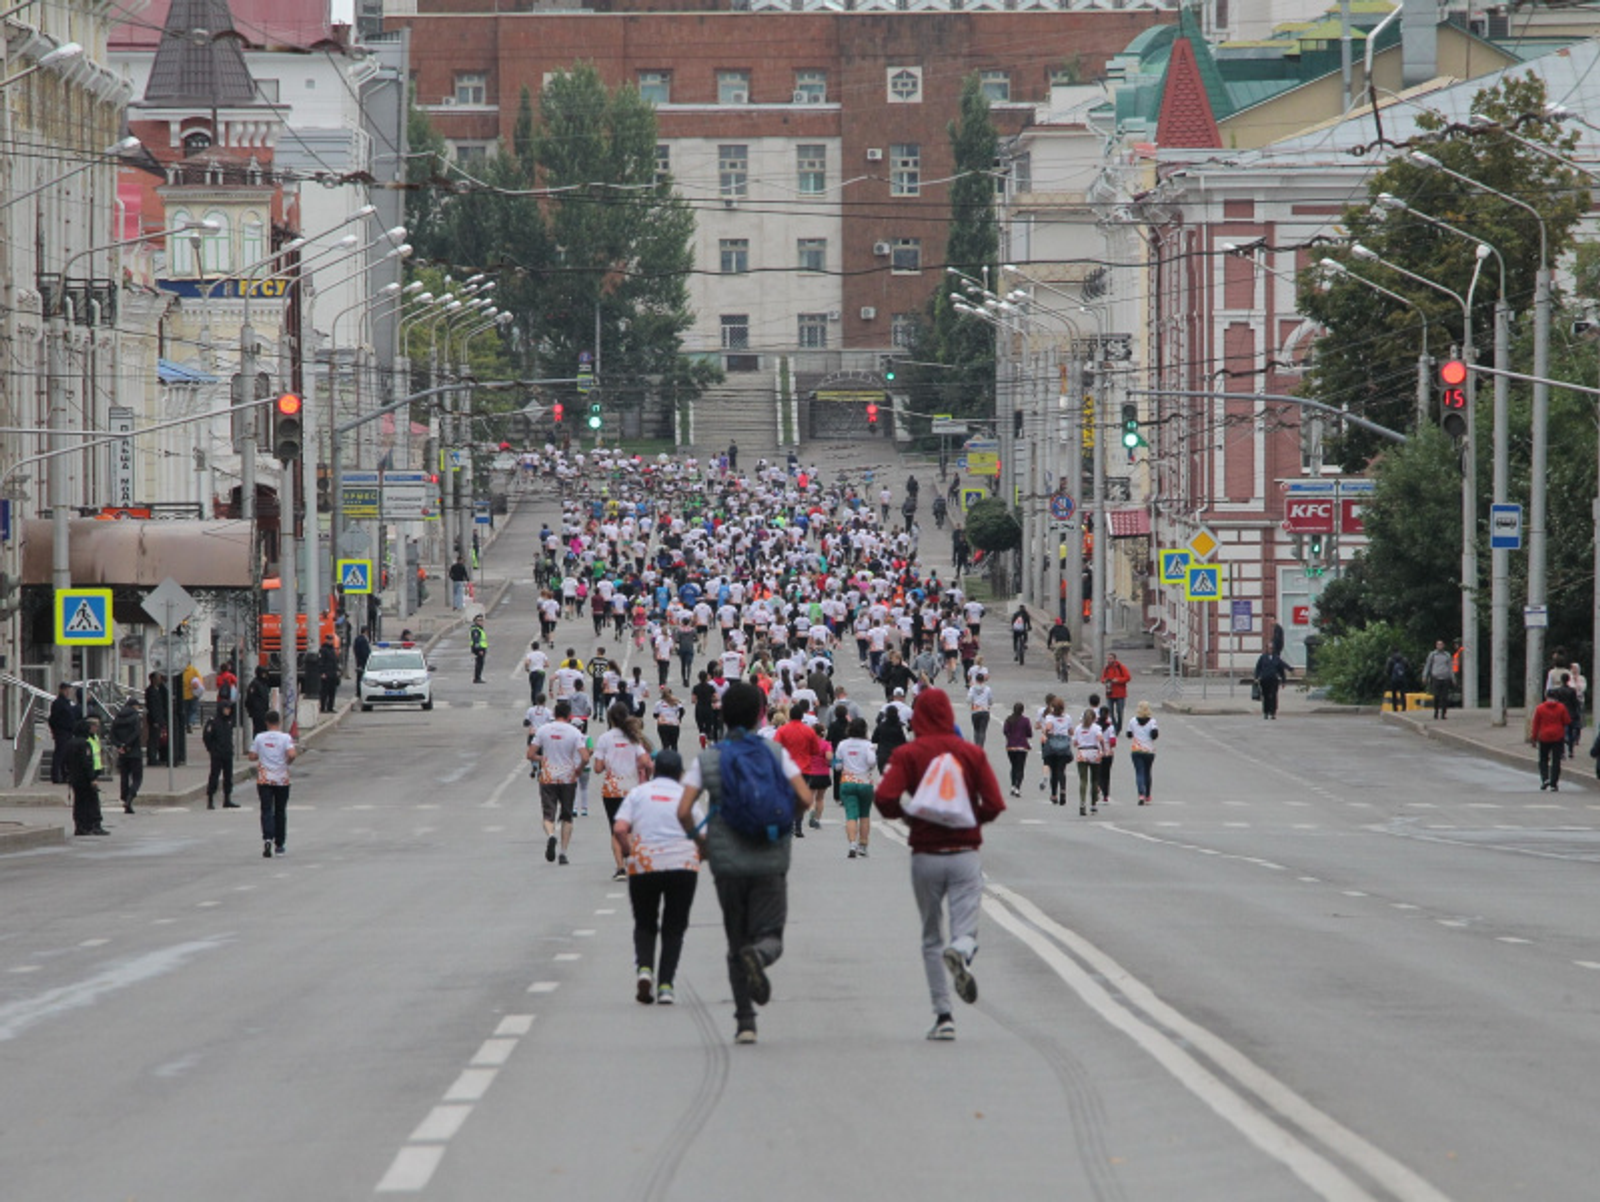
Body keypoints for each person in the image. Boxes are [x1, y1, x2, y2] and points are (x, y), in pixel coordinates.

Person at [676, 681, 810, 1045]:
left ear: (722, 713)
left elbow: (684, 810)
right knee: (771, 935)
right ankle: (760, 955)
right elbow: (804, 796)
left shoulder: (708, 758)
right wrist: (782, 826)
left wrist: (701, 843)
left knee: (735, 941)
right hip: (770, 857)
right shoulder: (774, 752)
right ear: (759, 714)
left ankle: (745, 1022)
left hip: (726, 862)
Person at [873, 688, 1005, 1041]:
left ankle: (943, 1015)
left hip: (925, 855)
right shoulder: (971, 753)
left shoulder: (908, 753)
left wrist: (908, 817)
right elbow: (994, 803)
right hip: (964, 853)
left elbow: (884, 798)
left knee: (931, 934)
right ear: (950, 714)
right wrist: (969, 819)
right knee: (965, 926)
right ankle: (961, 950)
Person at [614, 749, 700, 1006]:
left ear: (654, 770)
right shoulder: (688, 797)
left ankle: (644, 970)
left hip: (644, 864)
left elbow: (619, 828)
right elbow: (701, 832)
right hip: (682, 864)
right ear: (680, 773)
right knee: (675, 926)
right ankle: (665, 985)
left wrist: (629, 850)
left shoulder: (638, 794)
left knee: (645, 921)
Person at [593, 703, 654, 881]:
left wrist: (608, 763)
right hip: (632, 789)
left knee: (615, 829)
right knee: (631, 828)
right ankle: (632, 861)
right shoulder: (633, 738)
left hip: (611, 789)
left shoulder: (604, 738)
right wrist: (633, 767)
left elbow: (597, 768)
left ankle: (620, 867)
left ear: (611, 718)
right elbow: (644, 760)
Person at [528, 698, 591, 865]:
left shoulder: (543, 730)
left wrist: (543, 757)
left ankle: (550, 835)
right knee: (567, 816)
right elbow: (585, 756)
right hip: (568, 777)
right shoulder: (574, 732)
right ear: (569, 715)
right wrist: (579, 768)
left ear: (555, 714)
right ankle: (563, 853)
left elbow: (530, 754)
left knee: (548, 814)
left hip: (548, 776)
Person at [247, 709, 296, 858]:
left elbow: (252, 756)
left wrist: (261, 755)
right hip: (282, 778)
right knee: (280, 811)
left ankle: (268, 838)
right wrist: (286, 763)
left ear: (266, 723)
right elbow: (292, 754)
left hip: (264, 779)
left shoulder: (260, 738)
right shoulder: (285, 738)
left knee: (266, 809)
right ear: (279, 722)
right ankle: (279, 844)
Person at [833, 716, 877, 859]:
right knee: (864, 815)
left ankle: (852, 844)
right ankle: (863, 845)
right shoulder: (868, 745)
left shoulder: (842, 744)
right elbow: (871, 761)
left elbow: (837, 765)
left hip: (847, 781)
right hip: (864, 782)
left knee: (851, 815)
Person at [64, 718, 107, 836]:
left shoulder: (70, 743)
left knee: (78, 802)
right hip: (85, 778)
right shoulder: (85, 743)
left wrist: (67, 775)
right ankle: (93, 825)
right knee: (92, 801)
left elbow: (65, 761)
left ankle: (80, 826)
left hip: (74, 777)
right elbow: (86, 762)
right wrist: (92, 778)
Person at [1070, 706, 1108, 816]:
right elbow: (1100, 739)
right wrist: (1103, 749)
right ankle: (1093, 804)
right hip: (1094, 752)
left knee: (1083, 779)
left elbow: (1075, 743)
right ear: (1094, 718)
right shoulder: (1096, 728)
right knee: (1095, 779)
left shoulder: (1078, 728)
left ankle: (1082, 803)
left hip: (1082, 752)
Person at [1531, 689, 1571, 792]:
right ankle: (1554, 783)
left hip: (1544, 736)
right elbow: (1567, 721)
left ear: (1546, 696)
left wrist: (1534, 738)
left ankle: (1545, 779)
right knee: (1556, 760)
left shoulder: (1540, 708)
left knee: (1543, 759)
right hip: (1558, 736)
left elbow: (1536, 724)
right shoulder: (1561, 707)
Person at [109, 700, 144, 814]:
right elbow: (136, 733)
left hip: (122, 753)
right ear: (134, 706)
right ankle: (130, 797)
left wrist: (119, 745)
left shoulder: (117, 717)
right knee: (137, 778)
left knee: (124, 777)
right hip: (134, 752)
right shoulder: (135, 717)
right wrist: (127, 744)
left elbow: (112, 734)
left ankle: (124, 797)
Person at [203, 699, 239, 809]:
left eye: (229, 709)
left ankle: (227, 799)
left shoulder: (229, 721)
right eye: (226, 709)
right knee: (214, 775)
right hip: (217, 753)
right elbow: (207, 737)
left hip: (227, 752)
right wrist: (211, 749)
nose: (228, 711)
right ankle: (210, 799)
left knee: (228, 777)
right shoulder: (213, 721)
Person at [1039, 697, 1074, 807]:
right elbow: (1071, 731)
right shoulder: (1067, 717)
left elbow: (1048, 728)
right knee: (1061, 770)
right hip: (1063, 745)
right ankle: (1063, 789)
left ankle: (1054, 794)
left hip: (1053, 745)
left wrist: (1045, 731)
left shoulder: (1050, 717)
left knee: (1053, 771)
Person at [1126, 700, 1160, 805]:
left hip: (1136, 749)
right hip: (1149, 750)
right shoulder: (1152, 722)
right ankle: (1148, 795)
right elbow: (1155, 735)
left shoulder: (1132, 721)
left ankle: (1141, 794)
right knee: (1147, 772)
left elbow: (1129, 734)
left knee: (1139, 772)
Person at [49, 681, 79, 785]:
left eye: (68, 690)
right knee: (60, 754)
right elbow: (53, 719)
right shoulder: (58, 703)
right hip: (61, 732)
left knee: (67, 755)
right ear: (61, 690)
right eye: (66, 690)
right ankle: (56, 776)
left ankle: (65, 775)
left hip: (68, 732)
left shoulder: (67, 702)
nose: (67, 692)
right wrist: (55, 730)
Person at [1001, 702, 1032, 798]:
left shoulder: (1009, 719)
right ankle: (1018, 787)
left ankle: (1013, 785)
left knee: (1014, 766)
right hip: (1022, 747)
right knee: (1020, 767)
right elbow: (1029, 733)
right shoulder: (1026, 720)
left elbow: (1005, 731)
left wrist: (1010, 737)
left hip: (1011, 746)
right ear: (1022, 710)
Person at [1422, 639, 1455, 720]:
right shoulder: (1433, 655)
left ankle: (1443, 713)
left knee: (1445, 697)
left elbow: (1450, 667)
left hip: (1445, 678)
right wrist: (1424, 676)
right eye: (1438, 644)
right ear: (1436, 646)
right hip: (1436, 678)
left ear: (1443, 646)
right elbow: (1428, 666)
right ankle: (1436, 711)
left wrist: (1453, 678)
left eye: (1441, 644)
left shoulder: (1447, 655)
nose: (1440, 646)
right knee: (1436, 696)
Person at [1253, 647, 1289, 720]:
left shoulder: (1276, 658)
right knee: (1265, 696)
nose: (1270, 650)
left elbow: (1281, 669)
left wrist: (1283, 681)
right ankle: (1266, 712)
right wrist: (1256, 677)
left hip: (1274, 680)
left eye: (1272, 648)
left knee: (1273, 696)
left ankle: (1273, 712)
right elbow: (1258, 668)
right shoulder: (1263, 658)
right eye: (1269, 648)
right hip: (1264, 679)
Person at [1100, 652, 1131, 730]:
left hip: (1120, 694)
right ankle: (1114, 726)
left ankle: (1119, 726)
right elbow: (1102, 678)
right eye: (1108, 658)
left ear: (1114, 659)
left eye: (1110, 658)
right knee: (1110, 711)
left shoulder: (1121, 667)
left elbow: (1128, 677)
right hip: (1109, 693)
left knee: (1119, 711)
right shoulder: (1106, 668)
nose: (1109, 660)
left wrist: (1118, 680)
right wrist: (1105, 681)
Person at [145, 672, 170, 766]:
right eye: (158, 678)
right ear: (154, 680)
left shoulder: (158, 690)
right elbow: (153, 707)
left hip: (159, 719)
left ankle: (157, 757)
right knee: (153, 740)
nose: (160, 680)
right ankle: (152, 758)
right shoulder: (151, 691)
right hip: (154, 720)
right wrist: (155, 720)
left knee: (157, 739)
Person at [966, 670, 993, 749]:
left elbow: (969, 699)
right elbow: (990, 699)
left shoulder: (972, 688)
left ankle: (976, 745)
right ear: (983, 680)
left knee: (976, 729)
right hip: (984, 710)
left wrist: (971, 703)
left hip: (975, 711)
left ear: (976, 680)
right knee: (982, 730)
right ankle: (980, 746)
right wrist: (989, 704)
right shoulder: (987, 689)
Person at [244, 666, 271, 739]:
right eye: (263, 673)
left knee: (263, 730)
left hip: (264, 711)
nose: (264, 675)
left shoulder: (264, 684)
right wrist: (252, 710)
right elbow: (249, 699)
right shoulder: (255, 684)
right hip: (257, 712)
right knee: (258, 730)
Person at [521, 640, 549, 706]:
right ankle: (538, 701)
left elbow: (527, 662)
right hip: (541, 671)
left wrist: (527, 668)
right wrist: (542, 666)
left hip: (533, 672)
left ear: (532, 647)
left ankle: (534, 702)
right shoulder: (542, 654)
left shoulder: (530, 654)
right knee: (539, 687)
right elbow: (547, 664)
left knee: (533, 688)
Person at [317, 638, 340, 713]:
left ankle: (330, 707)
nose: (330, 641)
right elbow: (321, 662)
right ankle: (323, 707)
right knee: (324, 692)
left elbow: (335, 662)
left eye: (331, 640)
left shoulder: (332, 649)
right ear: (326, 640)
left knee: (332, 692)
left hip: (333, 674)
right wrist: (322, 672)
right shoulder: (323, 650)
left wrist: (337, 671)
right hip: (326, 674)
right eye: (329, 640)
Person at [1384, 648, 1410, 712]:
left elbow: (1388, 670)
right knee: (1403, 694)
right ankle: (1404, 708)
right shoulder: (1404, 659)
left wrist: (1390, 676)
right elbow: (1408, 668)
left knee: (1394, 694)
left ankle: (1395, 708)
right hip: (1402, 679)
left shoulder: (1390, 659)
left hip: (1394, 679)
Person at [1047, 618, 1072, 682]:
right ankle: (1068, 663)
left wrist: (1049, 645)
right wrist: (1069, 643)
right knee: (1066, 654)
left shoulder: (1054, 628)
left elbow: (1050, 638)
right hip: (1066, 643)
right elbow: (1069, 637)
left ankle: (1058, 673)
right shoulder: (1065, 628)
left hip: (1058, 644)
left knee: (1057, 659)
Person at [470, 615, 489, 684]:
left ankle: (478, 677)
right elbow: (476, 640)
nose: (481, 622)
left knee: (480, 663)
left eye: (482, 620)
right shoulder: (476, 630)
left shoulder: (479, 629)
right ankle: (477, 678)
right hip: (478, 649)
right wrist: (479, 650)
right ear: (475, 621)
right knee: (479, 663)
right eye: (479, 620)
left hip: (481, 648)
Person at [353, 628, 372, 694]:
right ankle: (360, 691)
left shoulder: (357, 639)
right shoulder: (363, 640)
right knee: (362, 676)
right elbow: (364, 652)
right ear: (366, 631)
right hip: (363, 662)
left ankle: (358, 691)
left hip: (359, 661)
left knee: (359, 676)